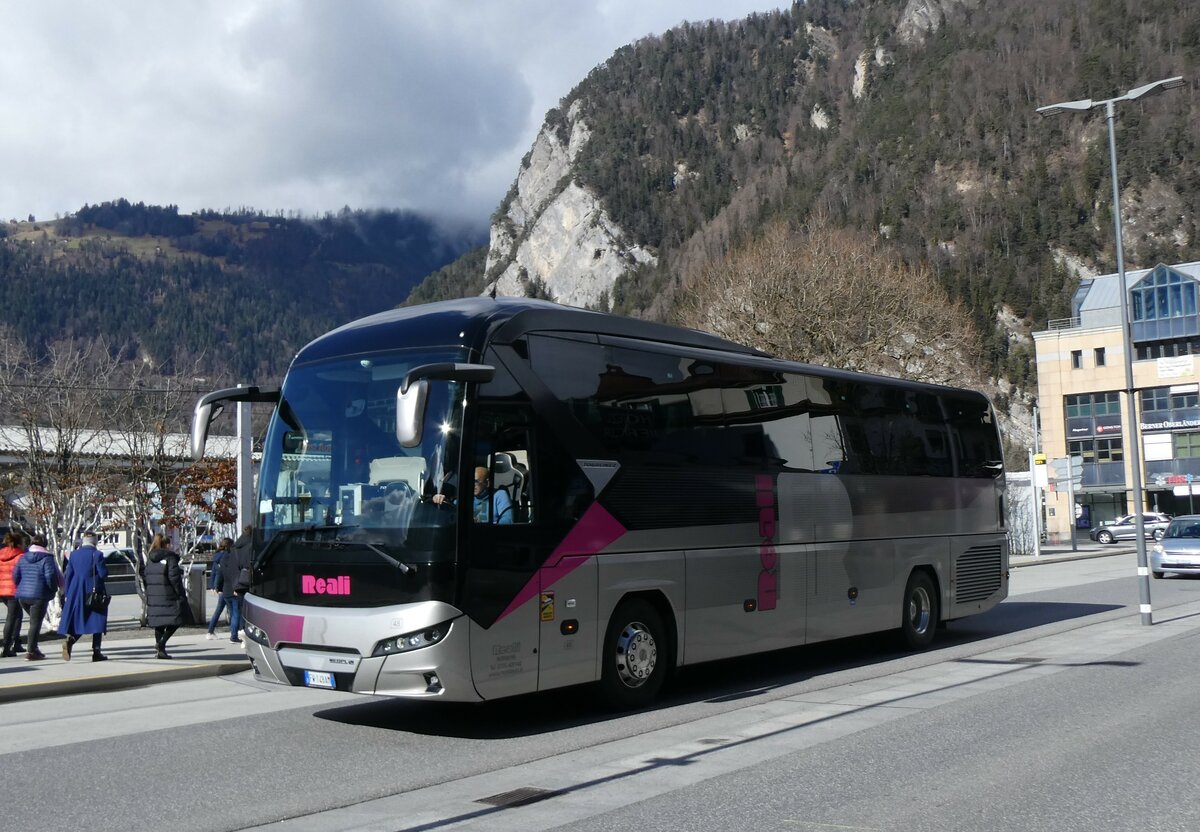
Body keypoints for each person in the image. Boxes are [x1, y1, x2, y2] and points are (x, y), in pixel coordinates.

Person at [58, 531, 109, 662]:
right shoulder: (97, 554)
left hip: (76, 591)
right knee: (97, 620)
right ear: (95, 541)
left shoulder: (74, 555)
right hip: (93, 591)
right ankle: (96, 652)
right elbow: (103, 574)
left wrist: (68, 593)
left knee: (81, 618)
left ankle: (71, 641)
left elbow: (68, 574)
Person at [12, 533, 63, 661]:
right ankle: (31, 651)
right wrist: (53, 590)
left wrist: (21, 587)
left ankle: (34, 649)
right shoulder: (47, 558)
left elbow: (15, 576)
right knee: (35, 623)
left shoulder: (23, 557)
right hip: (38, 595)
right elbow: (50, 577)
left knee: (34, 622)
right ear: (44, 544)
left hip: (22, 596)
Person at [143, 533, 190, 659]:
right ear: (166, 544)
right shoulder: (170, 558)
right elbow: (174, 578)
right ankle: (161, 643)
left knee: (159, 623)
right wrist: (180, 594)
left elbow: (145, 576)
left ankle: (161, 651)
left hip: (153, 595)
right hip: (168, 594)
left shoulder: (150, 558)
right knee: (178, 619)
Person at [215, 526, 252, 645]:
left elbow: (226, 571)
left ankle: (237, 632)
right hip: (246, 583)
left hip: (235, 585)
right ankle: (239, 632)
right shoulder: (250, 547)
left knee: (236, 611)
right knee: (239, 612)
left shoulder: (235, 549)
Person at [1, 531, 28, 657]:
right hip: (13, 589)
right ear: (19, 543)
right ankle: (6, 646)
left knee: (17, 614)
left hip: (2, 589)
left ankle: (16, 642)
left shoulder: (1, 554)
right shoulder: (21, 556)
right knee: (12, 616)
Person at [205, 537, 233, 640]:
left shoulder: (217, 557)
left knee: (219, 609)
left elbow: (214, 572)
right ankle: (234, 631)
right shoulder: (227, 556)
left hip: (219, 587)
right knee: (232, 610)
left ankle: (210, 631)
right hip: (226, 586)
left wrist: (213, 585)